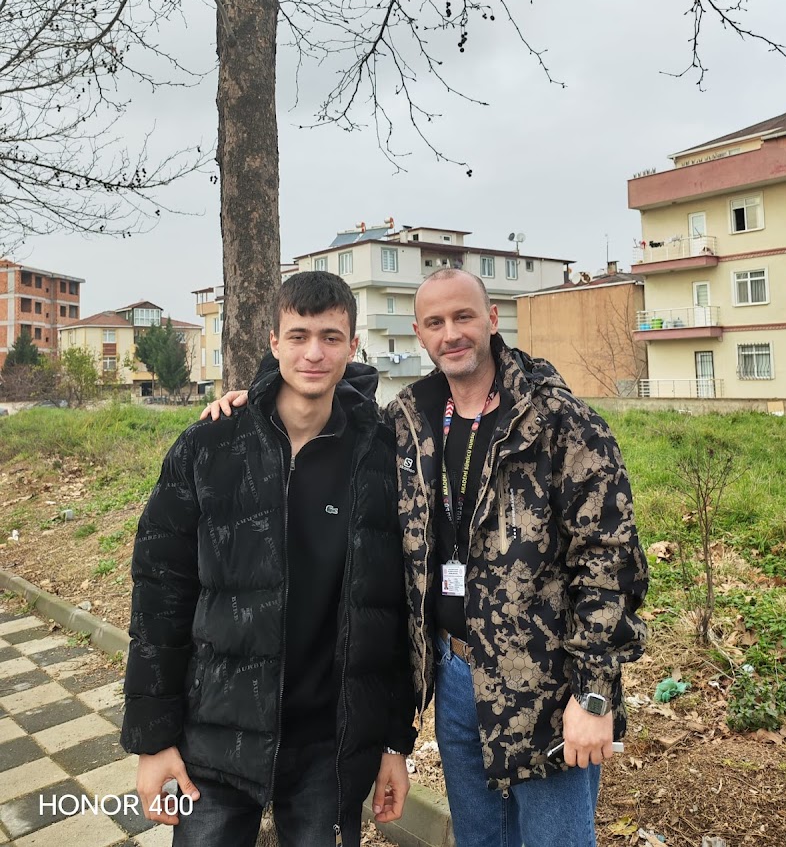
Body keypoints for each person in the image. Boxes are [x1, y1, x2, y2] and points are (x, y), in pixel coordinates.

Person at [207, 267, 648, 847]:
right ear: (419, 333)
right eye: (435, 323)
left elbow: (610, 565)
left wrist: (593, 694)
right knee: (479, 840)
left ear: (492, 319)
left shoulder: (563, 425)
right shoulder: (408, 421)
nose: (451, 334)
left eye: (464, 316)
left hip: (547, 682)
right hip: (456, 678)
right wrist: (256, 400)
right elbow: (327, 404)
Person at [121, 271, 415, 847]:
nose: (314, 352)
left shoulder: (382, 457)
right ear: (273, 342)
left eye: (331, 337)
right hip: (217, 735)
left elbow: (397, 610)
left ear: (353, 346)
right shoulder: (209, 448)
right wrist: (154, 742)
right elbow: (159, 595)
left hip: (329, 749)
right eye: (298, 335)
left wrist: (392, 743)